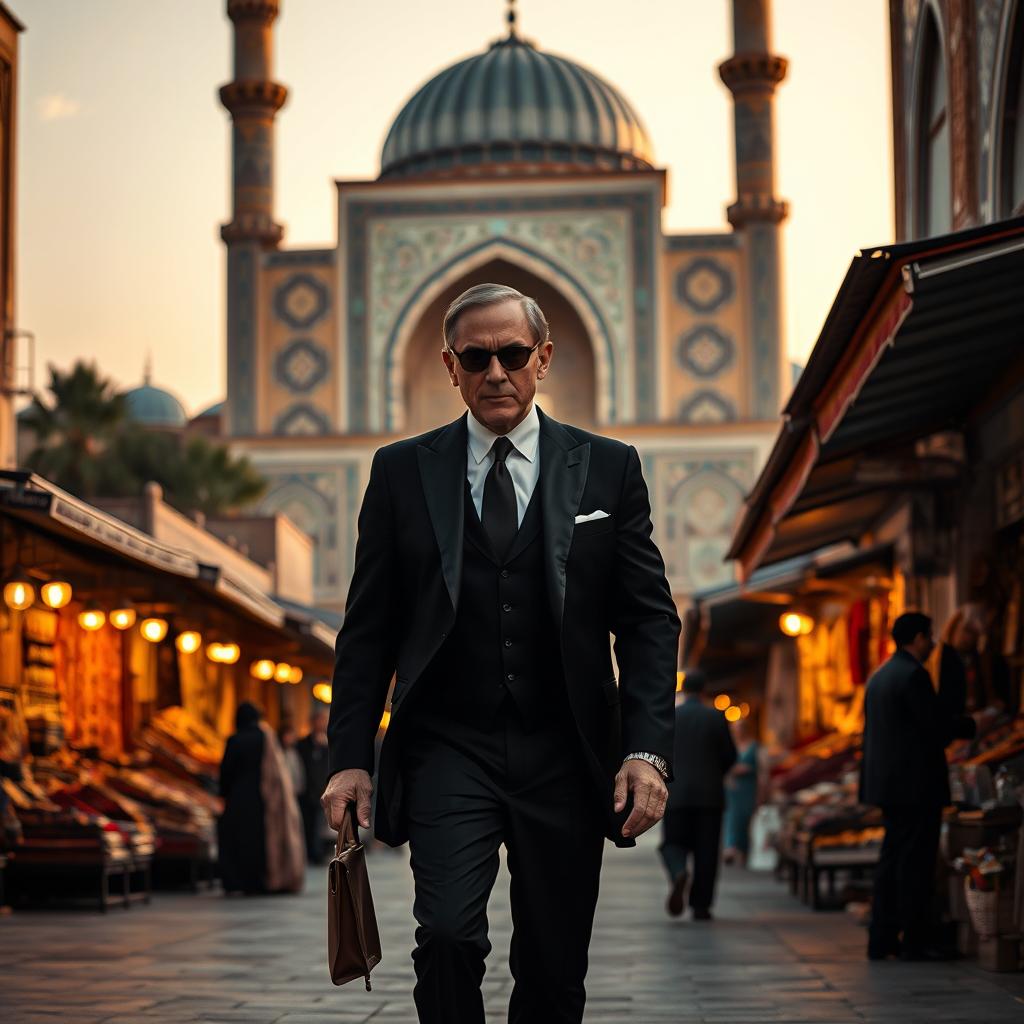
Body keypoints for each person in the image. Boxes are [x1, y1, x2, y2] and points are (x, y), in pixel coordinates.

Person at [321, 283, 680, 1023]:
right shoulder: (400, 471)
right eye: (477, 357)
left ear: (542, 358)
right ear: (450, 367)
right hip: (450, 745)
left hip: (565, 748)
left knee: (553, 966)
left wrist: (646, 751)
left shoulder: (608, 468)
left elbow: (647, 621)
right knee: (448, 935)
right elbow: (367, 631)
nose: (496, 373)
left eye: (513, 354)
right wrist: (349, 756)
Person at [860, 612, 975, 961]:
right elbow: (934, 729)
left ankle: (882, 938)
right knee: (915, 863)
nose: (934, 644)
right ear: (919, 638)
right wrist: (969, 726)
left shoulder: (881, 676)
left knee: (893, 859)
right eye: (930, 637)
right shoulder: (913, 676)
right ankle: (914, 939)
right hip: (915, 787)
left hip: (890, 787)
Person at [659, 669, 736, 920]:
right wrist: (715, 773)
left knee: (672, 842)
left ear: (685, 689)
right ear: (705, 690)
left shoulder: (673, 716)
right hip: (709, 797)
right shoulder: (715, 717)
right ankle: (700, 906)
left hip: (676, 794)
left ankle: (679, 869)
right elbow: (729, 755)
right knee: (706, 851)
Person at [218, 702, 305, 895]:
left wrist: (224, 794)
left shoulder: (235, 740)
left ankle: (240, 881)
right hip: (264, 798)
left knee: (239, 840)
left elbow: (226, 771)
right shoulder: (266, 738)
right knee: (262, 840)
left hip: (239, 798)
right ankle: (264, 879)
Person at [296, 705, 331, 864]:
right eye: (320, 719)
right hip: (306, 790)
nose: (322, 722)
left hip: (323, 789)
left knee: (320, 824)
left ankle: (318, 853)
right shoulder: (302, 744)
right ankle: (308, 853)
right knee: (306, 823)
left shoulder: (329, 743)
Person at [723, 716, 759, 866]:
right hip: (733, 789)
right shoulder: (731, 745)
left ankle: (744, 851)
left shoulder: (754, 746)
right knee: (732, 818)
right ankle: (730, 848)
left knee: (745, 819)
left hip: (748, 788)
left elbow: (761, 769)